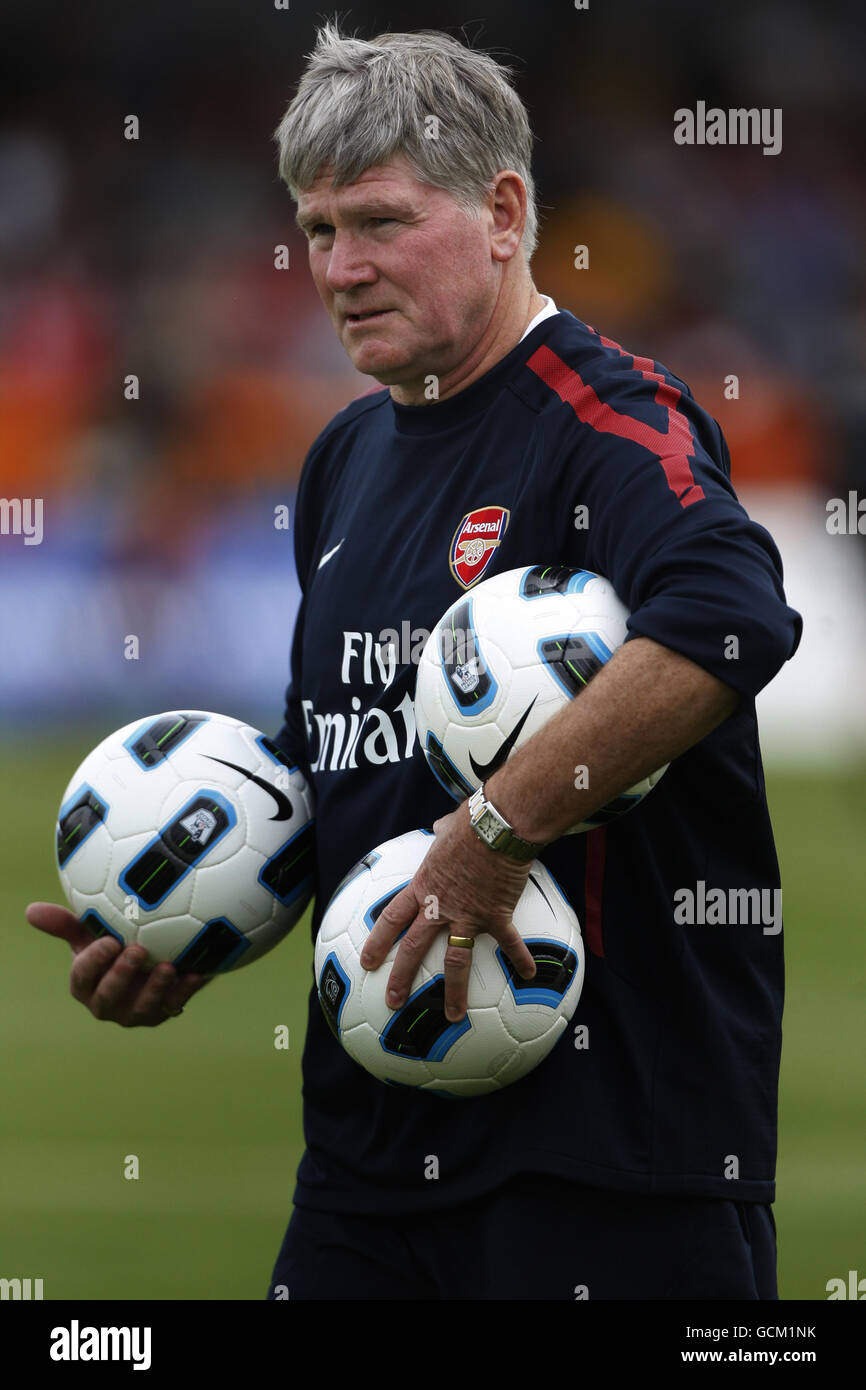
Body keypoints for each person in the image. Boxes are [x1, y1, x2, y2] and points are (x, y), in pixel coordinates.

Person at [28, 22, 802, 1300]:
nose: (340, 267)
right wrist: (194, 918)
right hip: (366, 1163)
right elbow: (346, 772)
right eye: (318, 231)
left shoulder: (608, 423)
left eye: (380, 222)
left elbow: (732, 620)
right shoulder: (343, 459)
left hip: (609, 1166)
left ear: (502, 212)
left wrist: (496, 832)